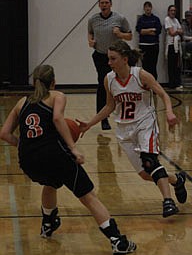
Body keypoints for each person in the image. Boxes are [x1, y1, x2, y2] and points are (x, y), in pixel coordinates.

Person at [0, 64, 136, 255]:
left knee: (50, 183)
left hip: (28, 161)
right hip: (54, 155)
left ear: (34, 82)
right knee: (88, 196)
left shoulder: (21, 102)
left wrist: (27, 144)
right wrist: (73, 148)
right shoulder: (57, 96)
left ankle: (48, 222)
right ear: (54, 82)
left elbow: (4, 134)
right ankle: (117, 240)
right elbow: (57, 119)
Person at [77, 40, 187, 218]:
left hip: (145, 123)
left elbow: (163, 93)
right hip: (124, 130)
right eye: (109, 59)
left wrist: (168, 112)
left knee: (150, 161)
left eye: (113, 59)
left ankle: (168, 201)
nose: (109, 62)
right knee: (145, 173)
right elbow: (109, 106)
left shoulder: (140, 75)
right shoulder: (109, 79)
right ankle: (176, 180)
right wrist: (90, 123)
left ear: (125, 59)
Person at [88, 0, 132, 130]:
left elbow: (129, 36)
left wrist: (120, 34)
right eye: (102, 3)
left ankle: (127, 113)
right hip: (101, 56)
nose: (104, 5)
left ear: (110, 4)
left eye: (106, 2)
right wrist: (90, 41)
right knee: (103, 84)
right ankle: (103, 119)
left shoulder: (120, 18)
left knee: (122, 82)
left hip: (117, 57)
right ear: (99, 5)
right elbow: (90, 33)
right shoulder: (93, 19)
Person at [136, 1, 162, 80]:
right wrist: (151, 30)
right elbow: (139, 30)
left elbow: (157, 31)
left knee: (153, 66)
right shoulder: (141, 19)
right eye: (146, 7)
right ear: (144, 9)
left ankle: (154, 85)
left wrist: (145, 31)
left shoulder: (156, 19)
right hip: (143, 45)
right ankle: (145, 85)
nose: (148, 8)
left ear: (151, 8)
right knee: (145, 66)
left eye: (149, 7)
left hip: (154, 45)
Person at [164, 5, 183, 90]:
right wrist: (177, 31)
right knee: (171, 65)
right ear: (168, 11)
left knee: (177, 65)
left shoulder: (176, 20)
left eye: (174, 10)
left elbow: (182, 31)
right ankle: (172, 84)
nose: (173, 12)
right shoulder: (167, 19)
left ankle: (177, 83)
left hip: (177, 45)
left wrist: (178, 31)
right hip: (171, 45)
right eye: (171, 10)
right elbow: (171, 32)